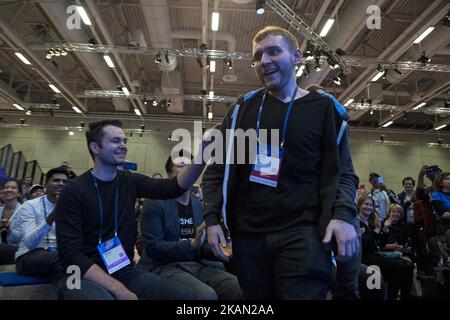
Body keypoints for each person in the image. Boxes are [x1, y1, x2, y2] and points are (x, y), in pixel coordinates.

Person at [202, 26, 359, 300]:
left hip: (303, 234)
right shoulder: (243, 109)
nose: (264, 61)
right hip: (247, 238)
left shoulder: (324, 109)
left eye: (274, 51)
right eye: (258, 56)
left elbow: (344, 172)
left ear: (297, 56)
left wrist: (343, 215)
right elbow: (217, 170)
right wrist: (213, 219)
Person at [55, 119, 212, 300]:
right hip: (80, 274)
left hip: (121, 269)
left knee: (183, 295)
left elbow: (174, 187)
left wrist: (204, 151)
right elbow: (71, 255)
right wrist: (119, 290)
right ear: (95, 147)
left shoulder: (129, 181)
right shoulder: (74, 190)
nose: (123, 146)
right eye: (115, 141)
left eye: (124, 141)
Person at [138, 155, 242, 300]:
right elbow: (154, 248)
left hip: (194, 265)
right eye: (181, 166)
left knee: (236, 286)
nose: (189, 170)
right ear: (169, 174)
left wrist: (224, 250)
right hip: (163, 266)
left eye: (192, 166)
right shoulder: (154, 202)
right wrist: (191, 244)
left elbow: (201, 249)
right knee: (206, 295)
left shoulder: (198, 206)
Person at [15, 167, 68, 282]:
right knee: (64, 260)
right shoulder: (30, 205)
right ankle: (72, 294)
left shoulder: (71, 207)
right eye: (56, 180)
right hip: (28, 255)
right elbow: (30, 243)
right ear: (45, 185)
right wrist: (55, 212)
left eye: (64, 181)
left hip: (58, 253)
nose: (61, 184)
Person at [358, 195, 413, 300]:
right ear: (359, 205)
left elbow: (377, 241)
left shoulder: (370, 221)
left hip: (375, 254)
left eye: (371, 205)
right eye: (366, 204)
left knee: (405, 267)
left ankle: (401, 297)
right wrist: (379, 229)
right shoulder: (357, 221)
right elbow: (366, 242)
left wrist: (384, 230)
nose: (368, 207)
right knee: (401, 267)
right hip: (364, 257)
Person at [0, 179, 22, 264]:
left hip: (17, 250)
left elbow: (24, 239)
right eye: (6, 187)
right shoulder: (0, 209)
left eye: (13, 188)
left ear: (19, 193)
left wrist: (10, 231)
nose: (9, 189)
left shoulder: (25, 211)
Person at [430, 172, 450, 245]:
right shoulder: (436, 195)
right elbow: (443, 214)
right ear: (440, 183)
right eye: (447, 179)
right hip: (445, 224)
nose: (449, 180)